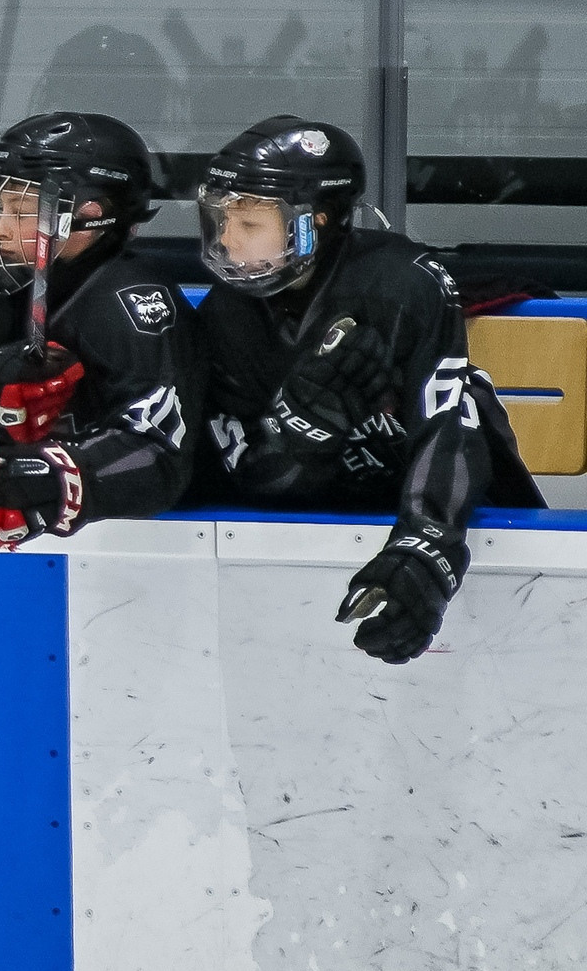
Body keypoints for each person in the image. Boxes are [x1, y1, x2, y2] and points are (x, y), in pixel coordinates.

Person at [193, 116, 541, 663]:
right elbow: (249, 479)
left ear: (314, 222)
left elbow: (449, 423)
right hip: (302, 541)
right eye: (223, 220)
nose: (227, 241)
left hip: (434, 517)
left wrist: (426, 546)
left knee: (470, 397)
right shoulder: (227, 313)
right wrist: (304, 428)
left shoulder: (404, 283)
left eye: (250, 223)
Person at [0, 112, 200, 547]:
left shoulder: (131, 301)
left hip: (145, 546)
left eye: (21, 211)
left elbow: (159, 451)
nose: (0, 229)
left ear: (90, 214)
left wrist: (52, 481)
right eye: (1, 208)